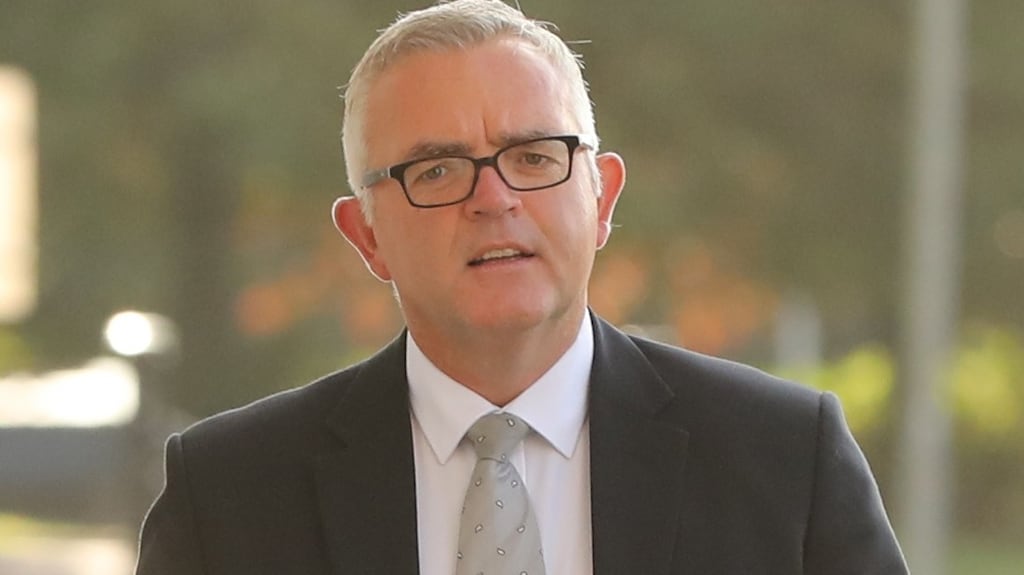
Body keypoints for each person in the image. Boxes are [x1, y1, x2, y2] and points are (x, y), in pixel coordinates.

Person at [135, 1, 909, 573]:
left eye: (534, 156)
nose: (494, 198)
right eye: (437, 169)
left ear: (601, 197)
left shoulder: (784, 461)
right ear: (366, 236)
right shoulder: (229, 494)